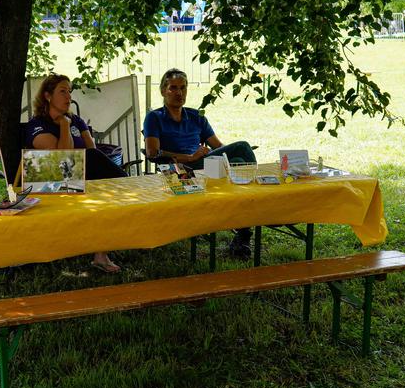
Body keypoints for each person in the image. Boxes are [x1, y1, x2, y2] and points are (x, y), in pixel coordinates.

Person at [143, 68, 256, 258]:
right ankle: (255, 206)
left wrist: (221, 156)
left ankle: (243, 232)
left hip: (205, 167)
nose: (179, 93)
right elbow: (152, 152)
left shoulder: (196, 116)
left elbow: (218, 146)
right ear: (163, 91)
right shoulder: (154, 117)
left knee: (237, 159)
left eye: (183, 88)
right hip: (178, 171)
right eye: (173, 88)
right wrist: (189, 157)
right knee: (242, 147)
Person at [24, 73, 125, 273]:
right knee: (106, 179)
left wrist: (70, 124)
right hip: (50, 181)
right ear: (47, 96)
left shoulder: (76, 120)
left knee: (102, 184)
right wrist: (64, 125)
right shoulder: (37, 124)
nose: (68, 97)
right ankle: (125, 184)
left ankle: (101, 255)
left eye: (69, 91)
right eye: (62, 91)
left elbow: (91, 149)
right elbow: (64, 157)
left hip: (82, 178)